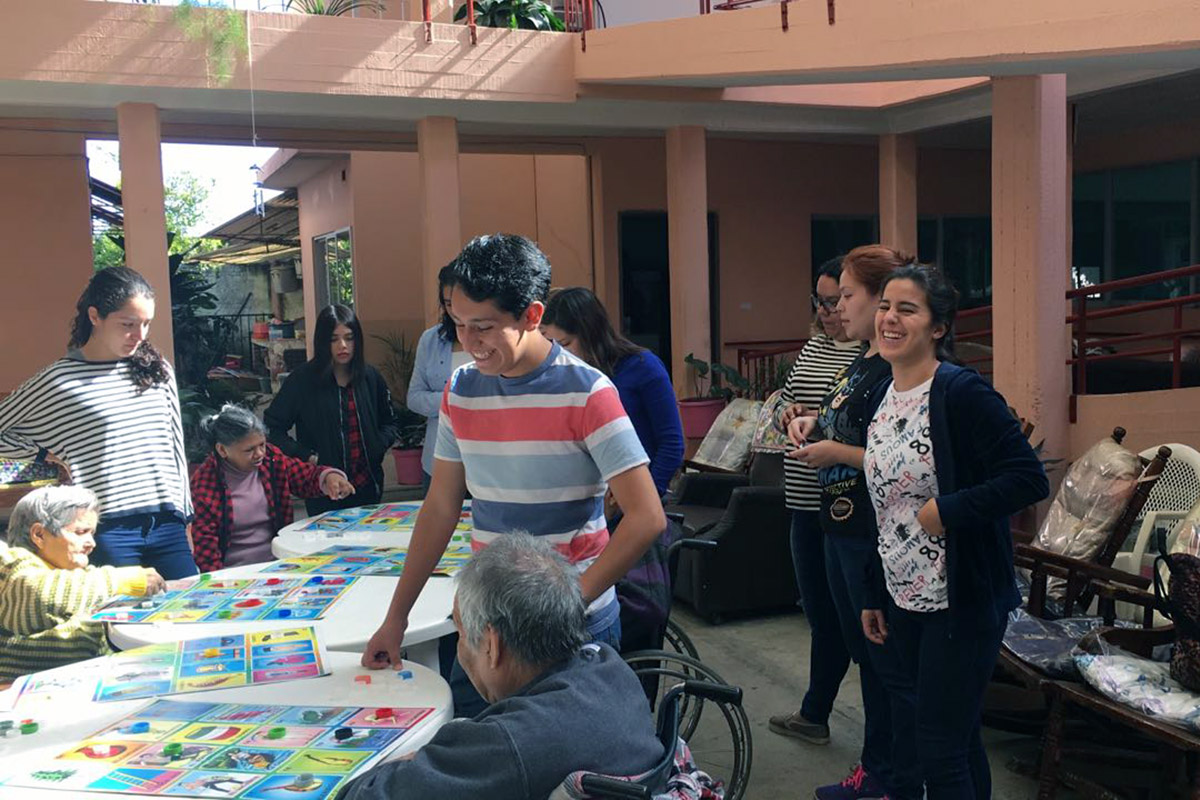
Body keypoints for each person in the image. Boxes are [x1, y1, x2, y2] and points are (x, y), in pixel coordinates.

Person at [361, 234, 666, 719]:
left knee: (567, 779)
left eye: (483, 327)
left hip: (572, 626)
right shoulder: (461, 390)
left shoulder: (588, 392)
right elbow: (440, 507)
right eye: (458, 324)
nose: (469, 343)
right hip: (486, 626)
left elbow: (647, 517)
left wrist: (570, 601)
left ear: (532, 315)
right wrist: (395, 618)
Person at [861, 265, 1048, 800]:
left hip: (959, 598)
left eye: (907, 309)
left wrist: (949, 508)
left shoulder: (961, 392)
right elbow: (886, 506)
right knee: (957, 739)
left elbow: (1026, 477)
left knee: (938, 749)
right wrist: (875, 589)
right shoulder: (885, 393)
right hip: (903, 594)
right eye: (886, 307)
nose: (890, 319)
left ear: (938, 326)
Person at [339, 534, 663, 800]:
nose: (461, 649)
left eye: (462, 635)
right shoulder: (608, 666)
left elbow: (358, 796)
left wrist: (416, 759)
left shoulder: (506, 746)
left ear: (492, 645)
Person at [786, 245, 906, 800]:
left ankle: (888, 777)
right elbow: (846, 420)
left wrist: (835, 450)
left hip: (869, 533)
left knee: (884, 663)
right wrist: (812, 422)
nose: (837, 307)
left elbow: (899, 458)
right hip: (840, 525)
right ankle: (877, 771)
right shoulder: (861, 360)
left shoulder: (898, 370)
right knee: (867, 658)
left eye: (847, 296)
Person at [0, 267, 197, 579]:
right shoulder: (58, 380)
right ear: (95, 316)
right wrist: (39, 455)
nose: (140, 334)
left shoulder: (158, 371)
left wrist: (185, 518)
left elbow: (175, 450)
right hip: (104, 530)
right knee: (120, 624)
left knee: (188, 613)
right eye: (128, 324)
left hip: (168, 523)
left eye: (146, 323)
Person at [769, 257, 864, 746]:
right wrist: (790, 410)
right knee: (818, 611)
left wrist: (820, 422)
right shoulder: (817, 345)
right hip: (803, 497)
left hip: (841, 500)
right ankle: (815, 713)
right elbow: (792, 398)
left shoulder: (868, 355)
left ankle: (818, 714)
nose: (829, 311)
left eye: (839, 300)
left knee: (845, 618)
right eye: (823, 301)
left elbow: (853, 421)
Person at [0, 486, 166, 682]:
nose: (91, 543)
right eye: (80, 532)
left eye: (92, 533)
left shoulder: (76, 574)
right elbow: (39, 594)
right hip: (18, 690)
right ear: (39, 535)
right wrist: (123, 580)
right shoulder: (12, 563)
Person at [542, 287, 684, 497]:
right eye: (552, 345)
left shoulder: (644, 367)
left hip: (633, 496)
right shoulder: (566, 375)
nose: (560, 354)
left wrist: (647, 497)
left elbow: (672, 444)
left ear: (590, 333)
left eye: (565, 344)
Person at [265, 304, 399, 516]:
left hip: (368, 486)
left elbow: (390, 422)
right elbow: (272, 428)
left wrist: (377, 445)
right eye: (334, 339)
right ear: (322, 342)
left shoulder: (370, 377)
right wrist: (308, 457)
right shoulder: (303, 380)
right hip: (324, 490)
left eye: (349, 337)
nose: (343, 345)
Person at [190, 405, 357, 572]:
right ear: (222, 450)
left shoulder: (271, 459)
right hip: (235, 573)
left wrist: (329, 477)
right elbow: (206, 549)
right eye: (249, 450)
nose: (260, 453)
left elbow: (304, 476)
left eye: (262, 444)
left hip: (281, 562)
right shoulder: (205, 484)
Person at [409, 265, 469, 490]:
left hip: (485, 462)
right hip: (438, 460)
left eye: (460, 302)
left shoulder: (491, 337)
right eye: (448, 303)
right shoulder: (431, 340)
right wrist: (451, 400)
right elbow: (413, 397)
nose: (455, 310)